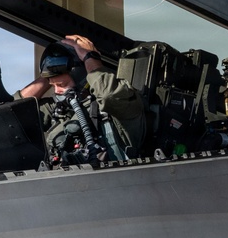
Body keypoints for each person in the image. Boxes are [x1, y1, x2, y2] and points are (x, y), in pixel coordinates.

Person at [17, 35, 146, 166]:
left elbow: (109, 95)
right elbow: (15, 114)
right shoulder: (61, 109)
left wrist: (90, 58)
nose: (56, 91)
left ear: (81, 78)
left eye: (61, 84)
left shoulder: (121, 104)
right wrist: (49, 74)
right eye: (52, 85)